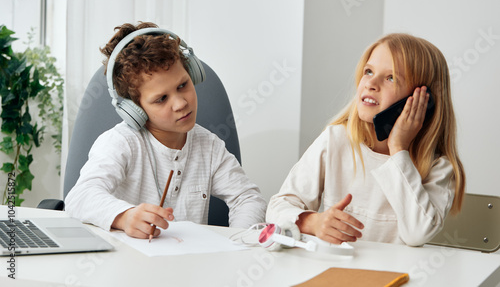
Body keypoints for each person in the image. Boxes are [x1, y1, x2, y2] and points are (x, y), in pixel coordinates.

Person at [66, 22, 267, 239]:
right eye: (161, 99)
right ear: (135, 109)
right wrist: (124, 217)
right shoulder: (121, 143)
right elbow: (80, 197)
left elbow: (248, 198)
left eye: (183, 85)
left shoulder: (209, 146)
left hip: (188, 265)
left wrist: (237, 242)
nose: (180, 103)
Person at [266, 33, 466, 246]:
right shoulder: (336, 140)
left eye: (391, 78)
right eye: (369, 71)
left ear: (423, 103)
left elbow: (417, 234)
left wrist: (398, 149)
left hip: (395, 277)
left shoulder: (438, 168)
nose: (371, 83)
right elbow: (277, 207)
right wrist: (313, 223)